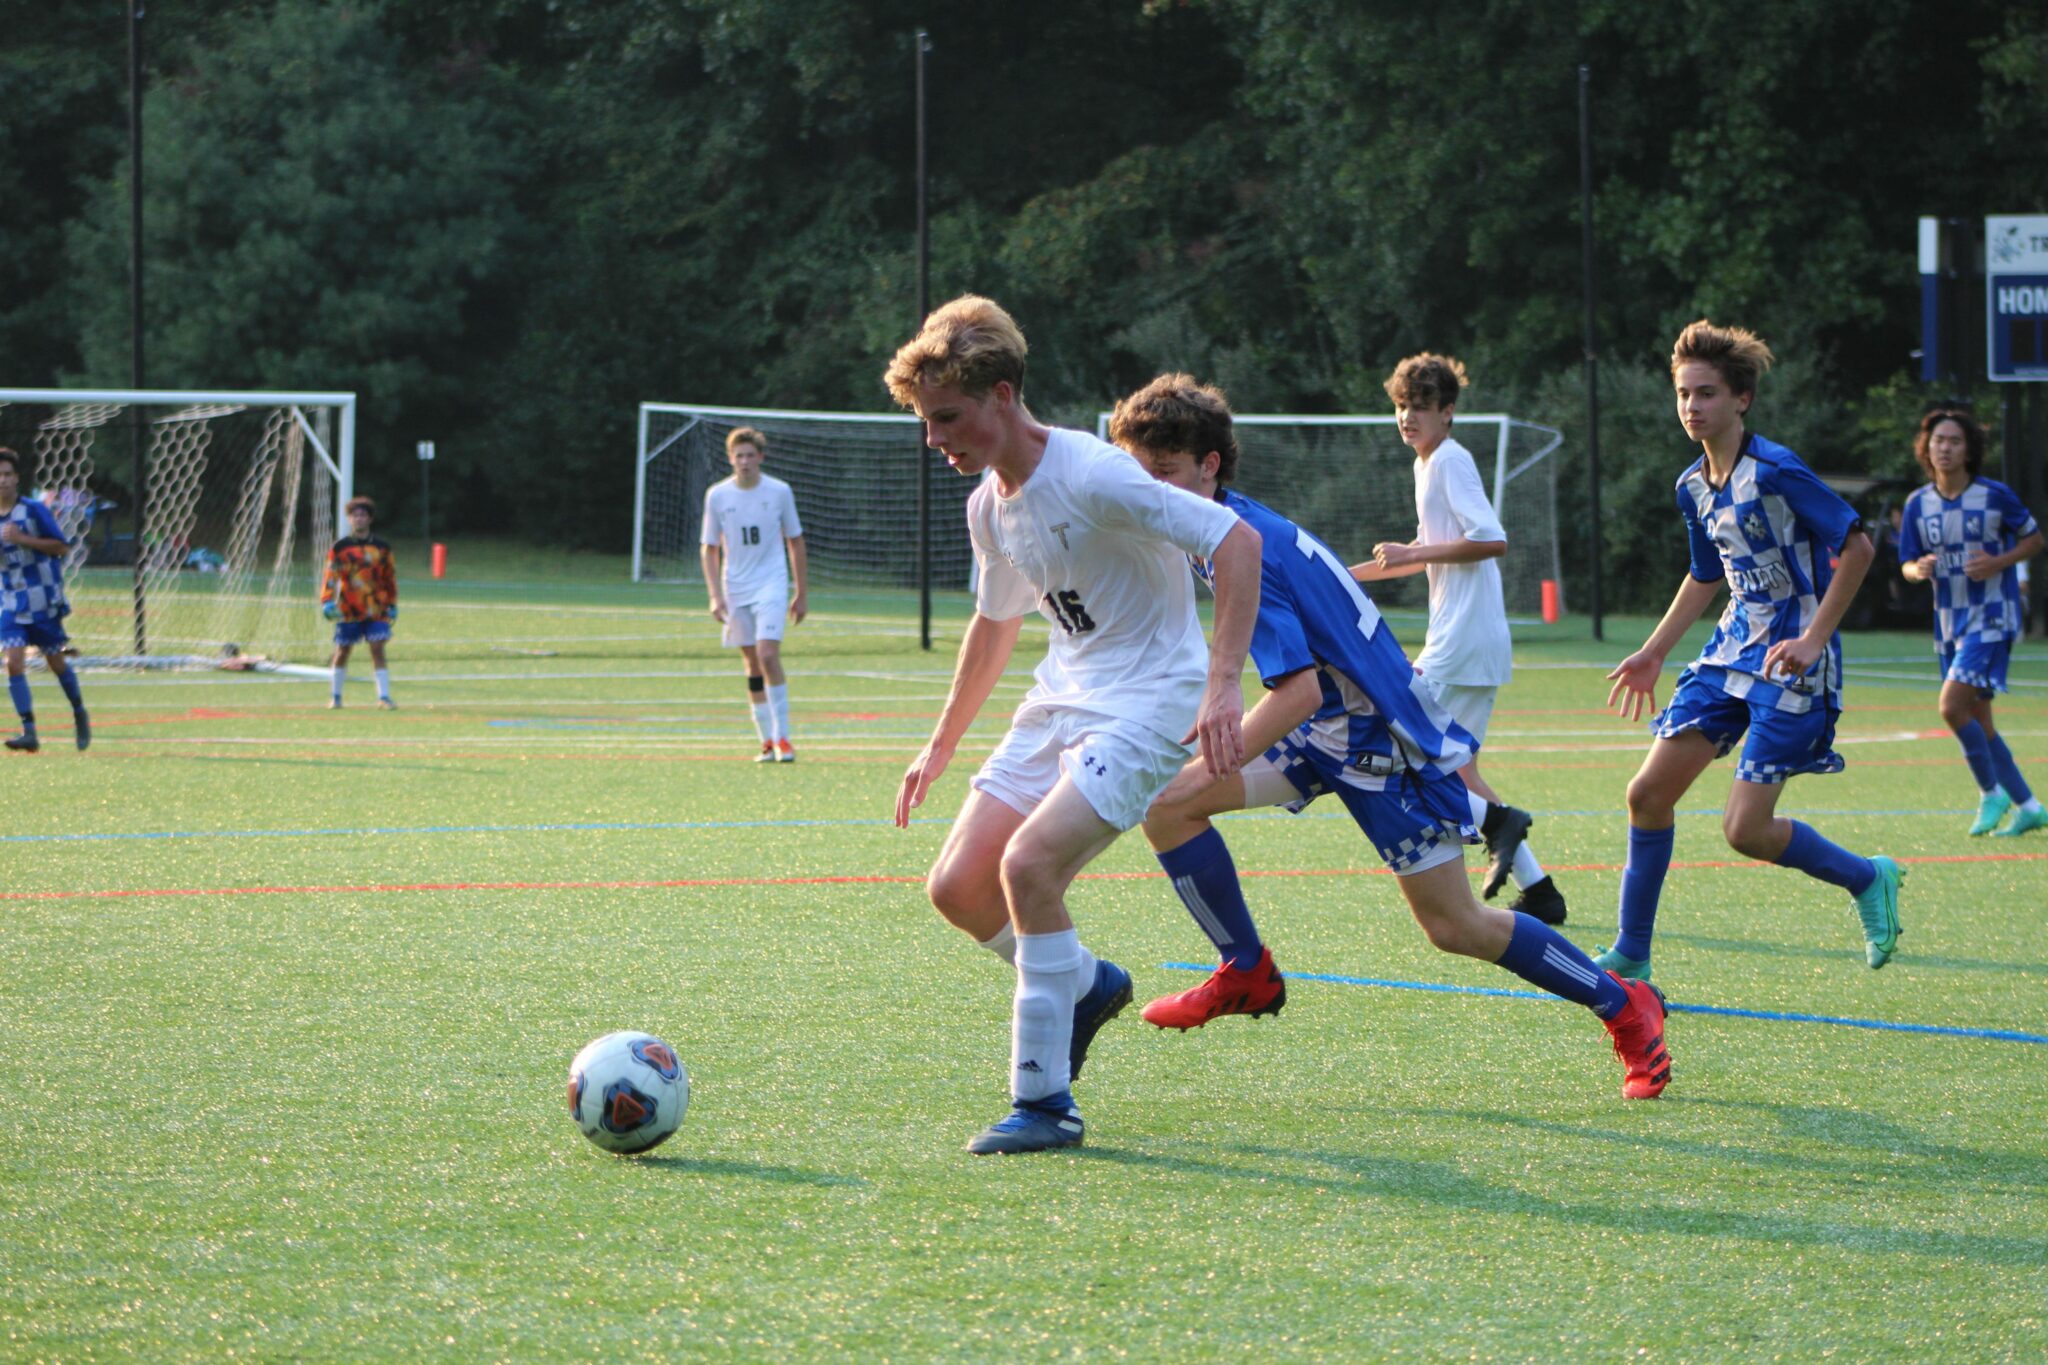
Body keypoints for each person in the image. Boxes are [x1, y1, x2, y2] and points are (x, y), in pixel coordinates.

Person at [1115, 375, 1671, 1098]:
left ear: (1210, 466)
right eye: (1141, 475)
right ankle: (1246, 969)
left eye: (1165, 473)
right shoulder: (1214, 528)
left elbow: (1300, 689)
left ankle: (1628, 1007)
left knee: (1456, 924)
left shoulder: (1237, 542)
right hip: (1329, 727)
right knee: (1168, 805)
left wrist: (1222, 748)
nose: (1151, 491)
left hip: (1379, 739)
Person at [886, 298, 1264, 1155]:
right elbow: (995, 622)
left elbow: (1235, 541)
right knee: (957, 888)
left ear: (1003, 395)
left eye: (946, 417)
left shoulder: (1093, 472)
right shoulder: (990, 504)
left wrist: (1223, 684)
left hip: (1150, 700)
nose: (934, 437)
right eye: (925, 420)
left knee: (1029, 866)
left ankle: (1044, 1101)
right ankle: (1088, 984)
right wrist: (941, 743)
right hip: (1062, 694)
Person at [1601, 320, 1903, 978]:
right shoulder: (1692, 487)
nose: (1691, 406)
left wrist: (1813, 637)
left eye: (1706, 393)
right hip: (1730, 652)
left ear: (1741, 399)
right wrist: (1654, 651)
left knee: (1745, 830)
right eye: (1683, 393)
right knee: (1647, 793)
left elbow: (1858, 547)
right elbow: (1708, 574)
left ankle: (1867, 877)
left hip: (1794, 663)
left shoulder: (1779, 471)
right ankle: (1631, 955)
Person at [1350, 354, 1564, 925]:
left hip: (1462, 645)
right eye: (1401, 406)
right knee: (1459, 771)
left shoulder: (1449, 460)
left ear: (1447, 413)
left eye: (1420, 407)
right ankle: (1540, 891)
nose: (1407, 416)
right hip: (1466, 643)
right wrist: (1339, 579)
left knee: (1404, 743)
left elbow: (1491, 539)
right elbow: (1423, 551)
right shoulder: (1428, 465)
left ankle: (1501, 825)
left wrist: (1414, 553)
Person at [1897, 408, 2046, 836]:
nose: (1944, 448)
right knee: (1979, 722)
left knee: (1950, 706)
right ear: (1926, 448)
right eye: (1938, 440)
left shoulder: (1994, 495)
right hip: (1948, 622)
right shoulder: (1917, 504)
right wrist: (1917, 569)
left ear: (1969, 450)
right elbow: (1906, 562)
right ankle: (2030, 805)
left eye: (1954, 441)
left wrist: (1999, 561)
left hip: (1993, 617)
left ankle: (1990, 792)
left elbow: (2034, 539)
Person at [700, 427, 807, 762]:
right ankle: (765, 740)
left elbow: (796, 541)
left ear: (760, 457)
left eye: (750, 455)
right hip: (736, 587)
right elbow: (709, 548)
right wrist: (715, 595)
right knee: (751, 661)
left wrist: (801, 591)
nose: (744, 461)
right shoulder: (717, 495)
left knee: (768, 654)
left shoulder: (779, 492)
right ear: (730, 459)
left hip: (772, 584)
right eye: (738, 456)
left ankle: (784, 738)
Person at [0, 448, 89, 752]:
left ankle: (78, 710)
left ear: (17, 478)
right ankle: (29, 731)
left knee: (56, 661)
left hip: (43, 599)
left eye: (7, 474)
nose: (2, 480)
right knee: (13, 662)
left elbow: (61, 547)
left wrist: (23, 540)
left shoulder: (33, 510)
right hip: (11, 600)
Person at [320, 496, 398, 709]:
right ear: (349, 519)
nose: (359, 519)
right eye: (355, 515)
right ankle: (335, 696)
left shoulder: (382, 547)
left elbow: (389, 577)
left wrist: (392, 604)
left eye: (363, 515)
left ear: (370, 519)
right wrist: (326, 601)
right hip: (349, 608)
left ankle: (384, 697)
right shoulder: (340, 547)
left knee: (377, 648)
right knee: (343, 650)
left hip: (377, 607)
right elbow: (330, 576)